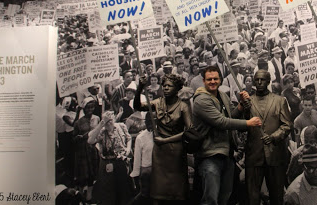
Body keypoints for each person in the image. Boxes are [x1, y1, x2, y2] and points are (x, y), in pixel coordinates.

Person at [192, 65, 262, 205]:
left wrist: (241, 105)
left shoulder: (222, 95)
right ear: (204, 81)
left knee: (225, 197)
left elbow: (232, 115)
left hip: (226, 154)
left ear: (220, 79)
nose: (212, 82)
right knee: (210, 199)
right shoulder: (201, 100)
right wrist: (248, 123)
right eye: (209, 79)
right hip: (209, 155)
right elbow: (221, 122)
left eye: (215, 79)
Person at [134, 74, 192, 203]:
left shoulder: (183, 106)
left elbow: (189, 132)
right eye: (164, 85)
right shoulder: (157, 102)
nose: (165, 88)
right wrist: (140, 87)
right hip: (160, 153)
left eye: (169, 86)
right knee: (158, 193)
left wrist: (165, 140)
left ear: (177, 88)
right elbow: (137, 106)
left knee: (177, 193)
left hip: (176, 152)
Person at [243, 69, 292, 205]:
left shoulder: (279, 101)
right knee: (252, 197)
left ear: (269, 81)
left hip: (275, 155)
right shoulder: (248, 101)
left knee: (276, 197)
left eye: (262, 79)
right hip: (254, 155)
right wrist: (245, 110)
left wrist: (274, 137)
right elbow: (241, 125)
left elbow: (287, 125)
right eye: (256, 79)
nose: (259, 82)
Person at [88, 111, 133, 205]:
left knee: (123, 189)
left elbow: (129, 138)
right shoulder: (101, 132)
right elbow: (90, 140)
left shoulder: (121, 126)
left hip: (121, 161)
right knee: (109, 191)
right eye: (106, 121)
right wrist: (101, 124)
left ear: (114, 119)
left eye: (110, 120)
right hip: (107, 163)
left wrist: (128, 149)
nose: (109, 123)